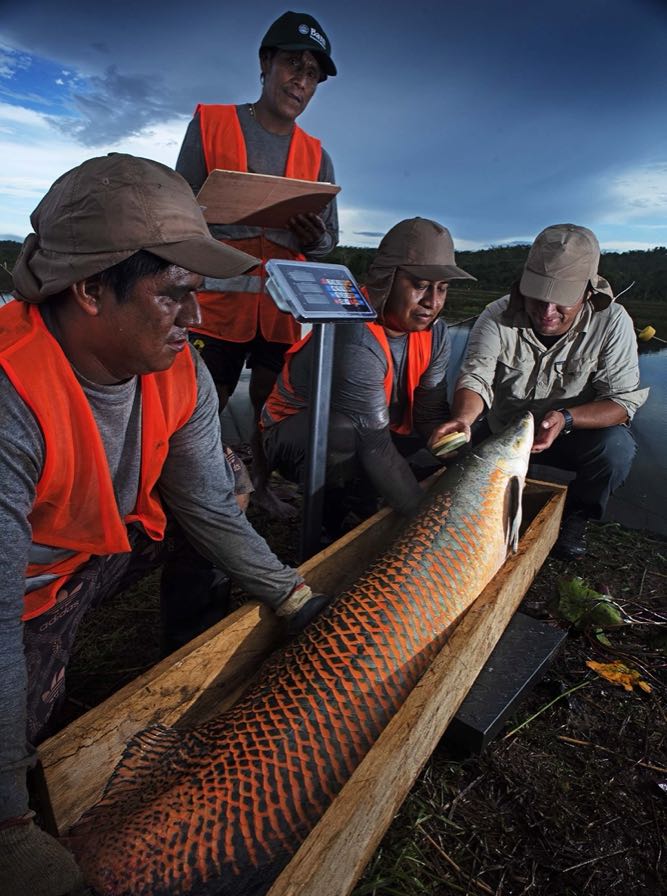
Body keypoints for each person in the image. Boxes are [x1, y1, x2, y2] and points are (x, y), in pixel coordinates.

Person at [0, 153, 328, 896]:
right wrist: (7, 819)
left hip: (101, 553)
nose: (196, 316)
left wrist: (291, 599)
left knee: (229, 493)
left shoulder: (176, 367)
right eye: (175, 293)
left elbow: (207, 507)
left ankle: (188, 653)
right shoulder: (10, 392)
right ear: (89, 288)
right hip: (26, 594)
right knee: (23, 746)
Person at [176, 10, 339, 492]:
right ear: (266, 63)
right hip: (217, 306)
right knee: (203, 402)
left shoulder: (317, 154)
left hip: (281, 310)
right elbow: (178, 211)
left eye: (312, 75)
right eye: (294, 65)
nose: (302, 82)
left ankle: (261, 487)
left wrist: (314, 238)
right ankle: (190, 489)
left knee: (269, 403)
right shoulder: (212, 125)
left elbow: (328, 241)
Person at [432, 224, 649, 559]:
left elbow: (621, 402)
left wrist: (565, 418)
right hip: (505, 431)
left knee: (616, 449)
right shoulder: (495, 315)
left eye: (562, 301)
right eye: (538, 297)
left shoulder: (614, 322)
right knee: (450, 448)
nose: (547, 313)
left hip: (570, 433)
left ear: (589, 293)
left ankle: (577, 517)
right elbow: (476, 379)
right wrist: (462, 419)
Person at [261, 217, 476, 537]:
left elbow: (429, 410)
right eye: (420, 286)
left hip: (375, 429)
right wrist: (433, 531)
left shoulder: (437, 334)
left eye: (442, 289)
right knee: (343, 434)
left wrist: (445, 440)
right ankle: (325, 524)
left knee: (461, 436)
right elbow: (373, 443)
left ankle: (365, 497)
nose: (432, 302)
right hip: (296, 436)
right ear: (388, 280)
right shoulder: (356, 334)